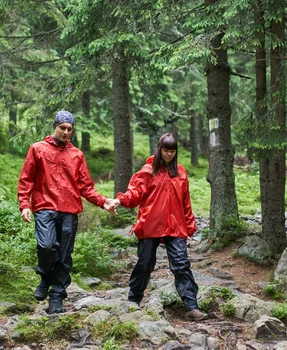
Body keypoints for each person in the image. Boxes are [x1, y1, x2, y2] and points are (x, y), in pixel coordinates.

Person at [18, 110, 117, 314]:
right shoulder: (37, 149)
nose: (65, 132)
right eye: (62, 128)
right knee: (46, 246)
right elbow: (26, 178)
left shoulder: (76, 155)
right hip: (44, 206)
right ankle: (45, 275)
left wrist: (103, 202)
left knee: (64, 256)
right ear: (55, 127)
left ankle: (56, 297)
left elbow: (85, 186)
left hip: (69, 210)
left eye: (69, 129)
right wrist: (24, 204)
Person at [112, 133, 207, 321]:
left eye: (172, 151)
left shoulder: (180, 173)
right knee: (144, 264)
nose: (169, 154)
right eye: (166, 150)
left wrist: (189, 223)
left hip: (176, 225)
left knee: (181, 264)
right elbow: (134, 194)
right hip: (150, 225)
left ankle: (191, 306)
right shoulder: (147, 171)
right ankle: (133, 301)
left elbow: (185, 201)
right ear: (159, 149)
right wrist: (119, 200)